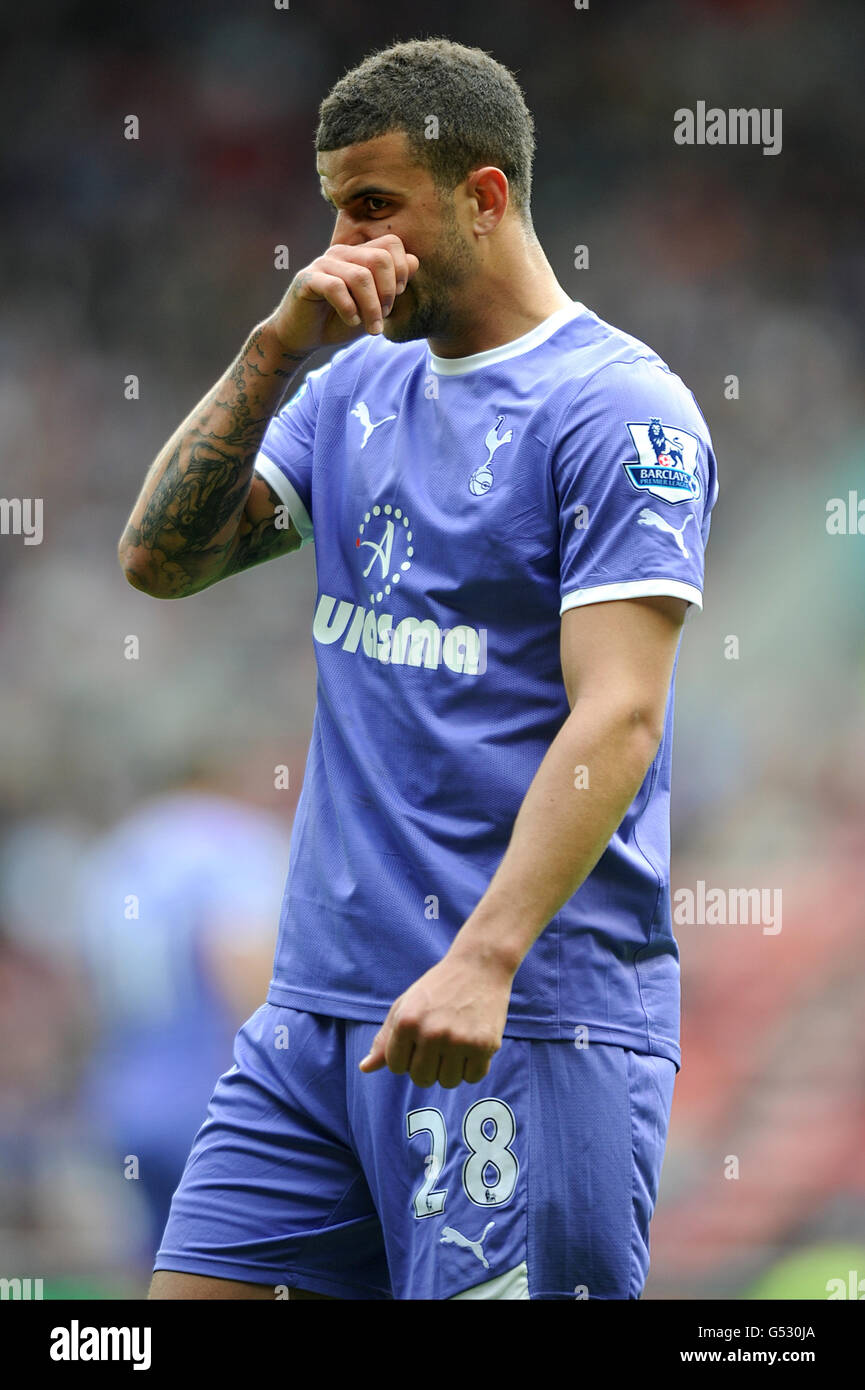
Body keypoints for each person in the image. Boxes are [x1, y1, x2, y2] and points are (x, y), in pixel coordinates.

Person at [120, 38, 718, 1300]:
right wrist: (274, 350)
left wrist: (486, 957)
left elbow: (619, 717)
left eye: (373, 204)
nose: (340, 240)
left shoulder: (620, 412)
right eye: (333, 206)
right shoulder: (351, 389)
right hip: (316, 1013)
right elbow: (159, 562)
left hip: (522, 1013)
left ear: (485, 196)